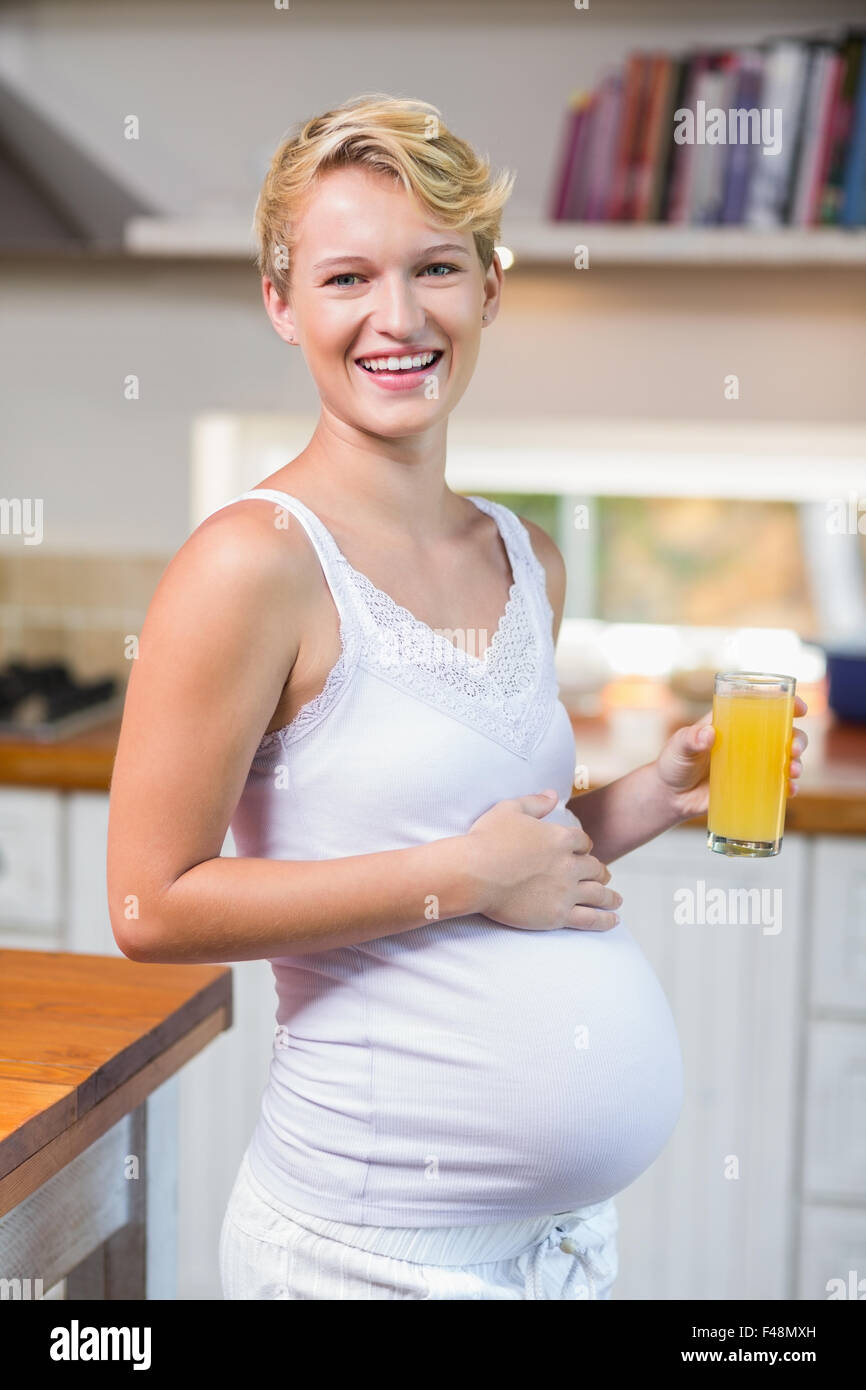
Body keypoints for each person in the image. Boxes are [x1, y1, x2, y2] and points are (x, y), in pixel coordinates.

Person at [106, 93, 809, 1301]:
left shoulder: (526, 555)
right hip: (358, 1259)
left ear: (490, 286)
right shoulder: (253, 563)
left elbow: (508, 857)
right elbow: (150, 904)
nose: (397, 317)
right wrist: (470, 873)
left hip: (551, 1256)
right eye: (345, 278)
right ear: (281, 302)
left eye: (436, 267)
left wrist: (649, 796)